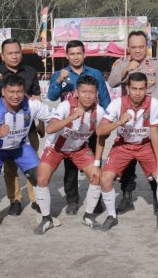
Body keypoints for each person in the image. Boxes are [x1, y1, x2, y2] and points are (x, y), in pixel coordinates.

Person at [0, 74, 54, 230]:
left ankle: (45, 215)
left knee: (40, 177)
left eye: (19, 91)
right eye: (11, 92)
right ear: (3, 91)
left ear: (24, 91)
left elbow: (55, 117)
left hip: (20, 147)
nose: (15, 96)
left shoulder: (32, 104)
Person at [95, 72, 158, 231]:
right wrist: (119, 122)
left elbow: (155, 134)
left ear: (146, 88)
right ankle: (111, 216)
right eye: (134, 88)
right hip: (123, 145)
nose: (137, 92)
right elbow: (100, 131)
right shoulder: (117, 104)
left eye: (141, 89)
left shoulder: (153, 103)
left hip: (145, 145)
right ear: (127, 88)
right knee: (105, 179)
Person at [34, 75, 105, 235]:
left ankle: (88, 216)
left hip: (79, 149)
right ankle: (46, 219)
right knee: (42, 178)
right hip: (55, 148)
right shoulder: (65, 106)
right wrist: (72, 117)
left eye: (91, 92)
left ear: (96, 94)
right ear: (76, 92)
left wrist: (97, 162)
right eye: (84, 92)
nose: (88, 96)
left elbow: (101, 138)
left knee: (97, 176)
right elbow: (50, 129)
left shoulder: (99, 112)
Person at [46, 40, 110, 216]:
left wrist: (108, 122)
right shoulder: (61, 73)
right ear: (67, 56)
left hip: (91, 125)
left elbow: (104, 98)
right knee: (71, 167)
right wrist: (58, 80)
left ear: (84, 54)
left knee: (94, 163)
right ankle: (72, 200)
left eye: (79, 53)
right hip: (70, 128)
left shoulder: (95, 74)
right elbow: (51, 96)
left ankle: (95, 200)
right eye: (72, 54)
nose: (76, 57)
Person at [0, 39, 43, 216]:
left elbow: (37, 98)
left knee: (32, 166)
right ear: (2, 55)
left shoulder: (30, 71)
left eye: (17, 52)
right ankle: (14, 200)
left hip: (27, 128)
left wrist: (41, 123)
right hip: (4, 130)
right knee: (10, 168)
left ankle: (36, 199)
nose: (14, 56)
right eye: (10, 53)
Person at [108, 31, 158, 214]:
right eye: (134, 47)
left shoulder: (156, 64)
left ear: (147, 46)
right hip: (128, 118)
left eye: (141, 46)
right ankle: (126, 197)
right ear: (128, 48)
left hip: (149, 117)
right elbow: (112, 82)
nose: (138, 50)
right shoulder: (120, 63)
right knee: (126, 162)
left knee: (155, 158)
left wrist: (149, 105)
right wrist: (126, 69)